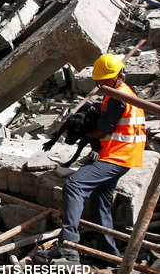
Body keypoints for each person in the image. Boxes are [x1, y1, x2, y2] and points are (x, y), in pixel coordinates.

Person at [42, 53, 146, 262]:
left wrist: (84, 134)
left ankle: (68, 245)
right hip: (123, 154)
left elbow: (103, 130)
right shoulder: (123, 93)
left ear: (118, 76)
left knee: (74, 185)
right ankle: (110, 254)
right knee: (101, 200)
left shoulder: (118, 97)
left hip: (117, 156)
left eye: (105, 80)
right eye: (99, 81)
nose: (101, 84)